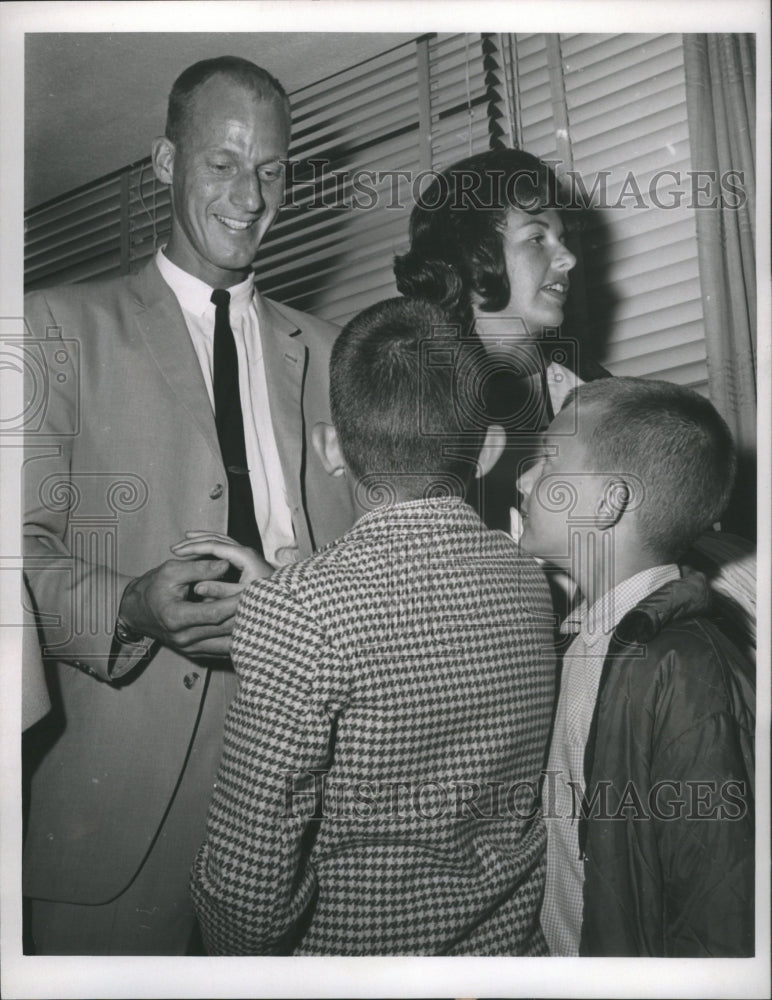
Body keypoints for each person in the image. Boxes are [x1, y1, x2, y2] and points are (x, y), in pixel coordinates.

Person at [22, 56, 354, 955]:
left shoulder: (336, 355)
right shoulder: (51, 327)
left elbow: (369, 562)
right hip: (112, 831)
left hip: (310, 829)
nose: (250, 197)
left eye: (273, 169)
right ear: (166, 163)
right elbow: (17, 557)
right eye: (222, 164)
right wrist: (130, 605)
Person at [182, 297, 557, 955]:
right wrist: (293, 603)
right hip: (508, 954)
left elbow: (248, 895)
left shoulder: (304, 612)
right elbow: (414, 631)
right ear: (490, 449)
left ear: (331, 447)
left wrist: (289, 607)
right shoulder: (531, 581)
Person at [516, 377, 755, 957]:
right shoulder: (579, 641)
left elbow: (716, 911)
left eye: (547, 464)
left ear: (609, 502)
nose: (522, 481)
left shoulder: (684, 667)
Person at [394, 147, 610, 536]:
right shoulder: (420, 404)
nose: (568, 259)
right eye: (536, 239)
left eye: (561, 238)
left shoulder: (583, 381)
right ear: (472, 255)